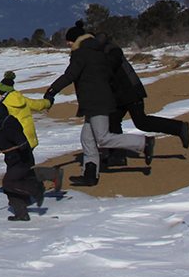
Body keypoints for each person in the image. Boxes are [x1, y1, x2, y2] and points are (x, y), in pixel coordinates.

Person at [43, 21, 155, 187]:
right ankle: (90, 175)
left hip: (96, 102)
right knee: (87, 138)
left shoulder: (81, 54)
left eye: (70, 40)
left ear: (77, 40)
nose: (67, 43)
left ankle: (144, 143)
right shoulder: (97, 51)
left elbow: (70, 75)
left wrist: (51, 92)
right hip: (97, 100)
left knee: (103, 138)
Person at [97, 33, 189, 166]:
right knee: (112, 120)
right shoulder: (103, 51)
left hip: (130, 91)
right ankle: (117, 156)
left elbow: (109, 67)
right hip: (119, 94)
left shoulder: (111, 50)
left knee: (141, 122)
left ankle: (179, 127)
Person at [0, 100, 45, 221]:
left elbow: (18, 137)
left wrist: (22, 143)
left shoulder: (10, 125)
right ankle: (21, 213)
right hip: (13, 161)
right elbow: (2, 140)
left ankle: (36, 189)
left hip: (21, 162)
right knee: (9, 187)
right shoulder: (3, 125)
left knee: (8, 183)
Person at [0, 70, 53, 150]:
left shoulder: (4, 105)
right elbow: (37, 105)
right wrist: (48, 102)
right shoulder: (21, 99)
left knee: (17, 160)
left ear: (2, 93)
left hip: (17, 139)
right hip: (29, 137)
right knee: (28, 160)